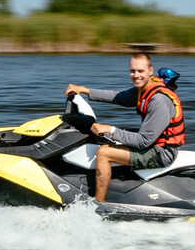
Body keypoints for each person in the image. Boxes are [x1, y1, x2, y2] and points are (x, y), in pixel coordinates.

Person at [65, 52, 185, 201]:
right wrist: (84, 90)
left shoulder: (159, 101)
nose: (136, 75)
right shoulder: (144, 89)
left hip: (162, 153)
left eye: (140, 71)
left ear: (150, 71)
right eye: (132, 71)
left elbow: (143, 141)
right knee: (106, 140)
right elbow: (119, 97)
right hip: (153, 143)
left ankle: (97, 205)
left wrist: (110, 129)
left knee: (103, 153)